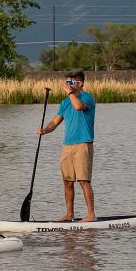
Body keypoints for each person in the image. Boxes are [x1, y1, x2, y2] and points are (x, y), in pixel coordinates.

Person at [37, 69, 96, 222]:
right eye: (67, 82)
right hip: (67, 146)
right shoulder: (64, 103)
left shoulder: (87, 98)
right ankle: (69, 214)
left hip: (83, 144)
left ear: (80, 83)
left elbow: (78, 107)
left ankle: (91, 214)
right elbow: (55, 121)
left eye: (71, 82)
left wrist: (70, 93)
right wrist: (45, 130)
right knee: (67, 181)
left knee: (83, 180)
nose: (68, 84)